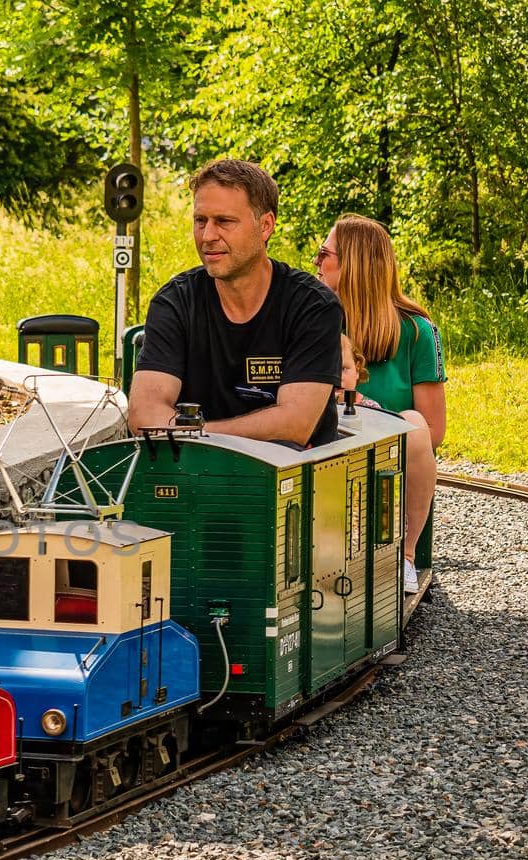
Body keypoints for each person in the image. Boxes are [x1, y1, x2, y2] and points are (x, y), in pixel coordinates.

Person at [128, 160, 342, 448]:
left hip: (292, 481)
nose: (208, 236)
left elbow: (294, 425)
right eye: (200, 221)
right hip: (195, 479)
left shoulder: (312, 306)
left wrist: (194, 432)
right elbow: (144, 416)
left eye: (224, 222)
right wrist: (213, 435)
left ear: (265, 226)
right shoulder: (175, 303)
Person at [314, 213, 446, 594]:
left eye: (325, 253)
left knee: (415, 425)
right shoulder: (313, 320)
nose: (317, 263)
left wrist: (368, 410)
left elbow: (435, 430)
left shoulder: (418, 331)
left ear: (353, 263)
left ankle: (404, 557)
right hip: (325, 442)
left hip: (389, 450)